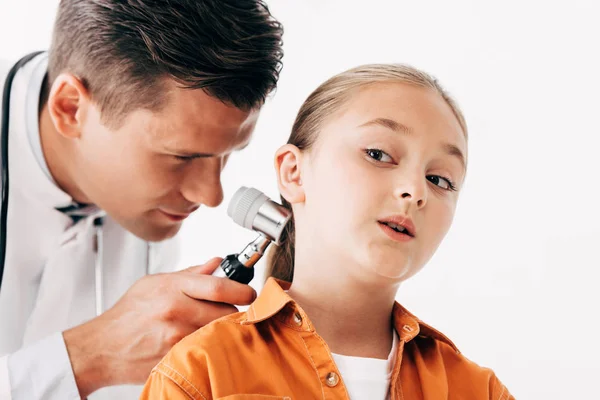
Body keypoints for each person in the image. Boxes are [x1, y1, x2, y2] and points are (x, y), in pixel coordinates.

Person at [140, 64, 515, 399]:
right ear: (294, 172)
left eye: (440, 179)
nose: (415, 192)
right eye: (379, 154)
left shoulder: (479, 392)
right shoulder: (198, 371)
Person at [0, 1, 283, 399]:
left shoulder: (150, 213)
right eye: (181, 157)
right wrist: (88, 357)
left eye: (228, 153)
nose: (211, 195)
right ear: (71, 108)